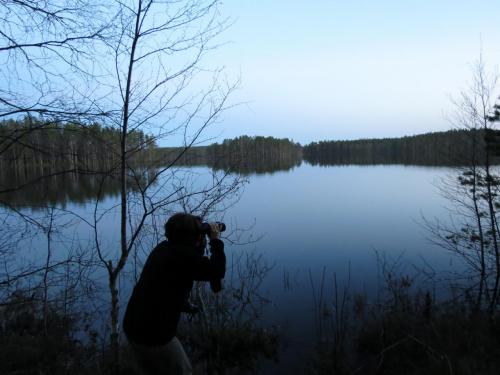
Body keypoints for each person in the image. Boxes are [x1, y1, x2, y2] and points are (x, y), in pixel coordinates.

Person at [123, 213, 226, 375]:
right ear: (193, 237)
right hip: (154, 335)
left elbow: (167, 284)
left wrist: (182, 304)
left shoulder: (163, 249)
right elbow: (217, 271)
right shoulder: (184, 257)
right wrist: (215, 241)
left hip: (133, 326)